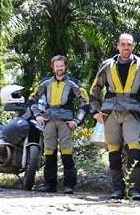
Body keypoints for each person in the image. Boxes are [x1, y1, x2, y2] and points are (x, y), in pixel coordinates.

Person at [89, 33, 140, 200]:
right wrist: (95, 111)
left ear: (133, 46)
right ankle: (117, 189)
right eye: (123, 44)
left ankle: (134, 190)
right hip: (110, 112)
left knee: (134, 146)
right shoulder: (107, 65)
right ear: (118, 46)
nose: (126, 47)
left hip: (131, 111)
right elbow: (95, 88)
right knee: (113, 149)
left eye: (129, 44)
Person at [29, 55, 90, 194]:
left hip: (65, 122)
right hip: (49, 120)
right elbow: (32, 99)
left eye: (61, 66)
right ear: (53, 67)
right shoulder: (45, 82)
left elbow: (85, 102)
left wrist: (76, 121)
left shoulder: (73, 83)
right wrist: (38, 115)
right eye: (57, 66)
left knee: (67, 151)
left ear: (65, 66)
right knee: (49, 151)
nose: (59, 68)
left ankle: (69, 185)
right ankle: (50, 184)